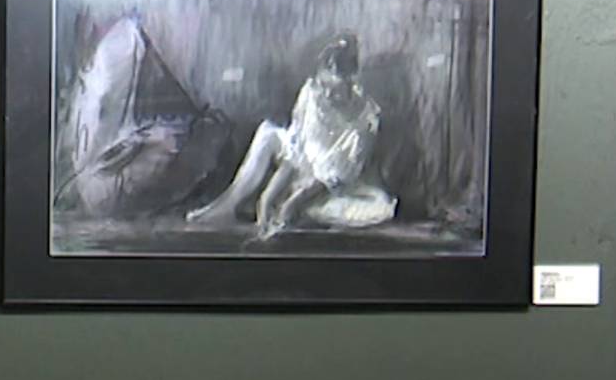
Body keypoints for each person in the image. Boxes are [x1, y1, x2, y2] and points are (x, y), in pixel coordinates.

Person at [186, 33, 396, 239]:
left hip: (327, 188)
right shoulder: (313, 94)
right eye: (323, 86)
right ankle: (229, 204)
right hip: (302, 171)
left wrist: (292, 203)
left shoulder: (364, 119)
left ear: (351, 81)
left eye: (335, 91)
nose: (327, 95)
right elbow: (295, 155)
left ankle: (291, 210)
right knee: (268, 132)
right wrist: (266, 198)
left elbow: (335, 177)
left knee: (334, 209)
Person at [56, 15, 228, 221]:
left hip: (98, 184)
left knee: (171, 137)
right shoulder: (119, 47)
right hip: (106, 190)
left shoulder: (107, 58)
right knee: (174, 141)